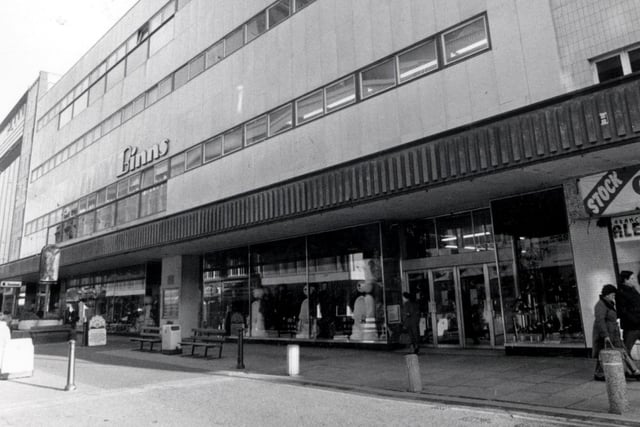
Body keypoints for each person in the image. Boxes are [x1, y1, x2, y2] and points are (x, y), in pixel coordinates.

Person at [592, 284, 640, 381]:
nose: (614, 297)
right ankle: (633, 371)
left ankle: (629, 371)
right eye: (613, 295)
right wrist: (605, 335)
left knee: (612, 352)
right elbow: (600, 321)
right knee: (617, 352)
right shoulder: (600, 305)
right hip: (608, 334)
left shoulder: (608, 303)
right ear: (607, 294)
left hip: (613, 333)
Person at [616, 271, 640, 356]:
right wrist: (636, 320)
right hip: (631, 327)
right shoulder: (621, 293)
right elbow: (623, 311)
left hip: (636, 324)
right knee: (627, 350)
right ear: (626, 280)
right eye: (632, 278)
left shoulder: (633, 290)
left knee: (627, 349)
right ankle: (625, 368)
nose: (634, 280)